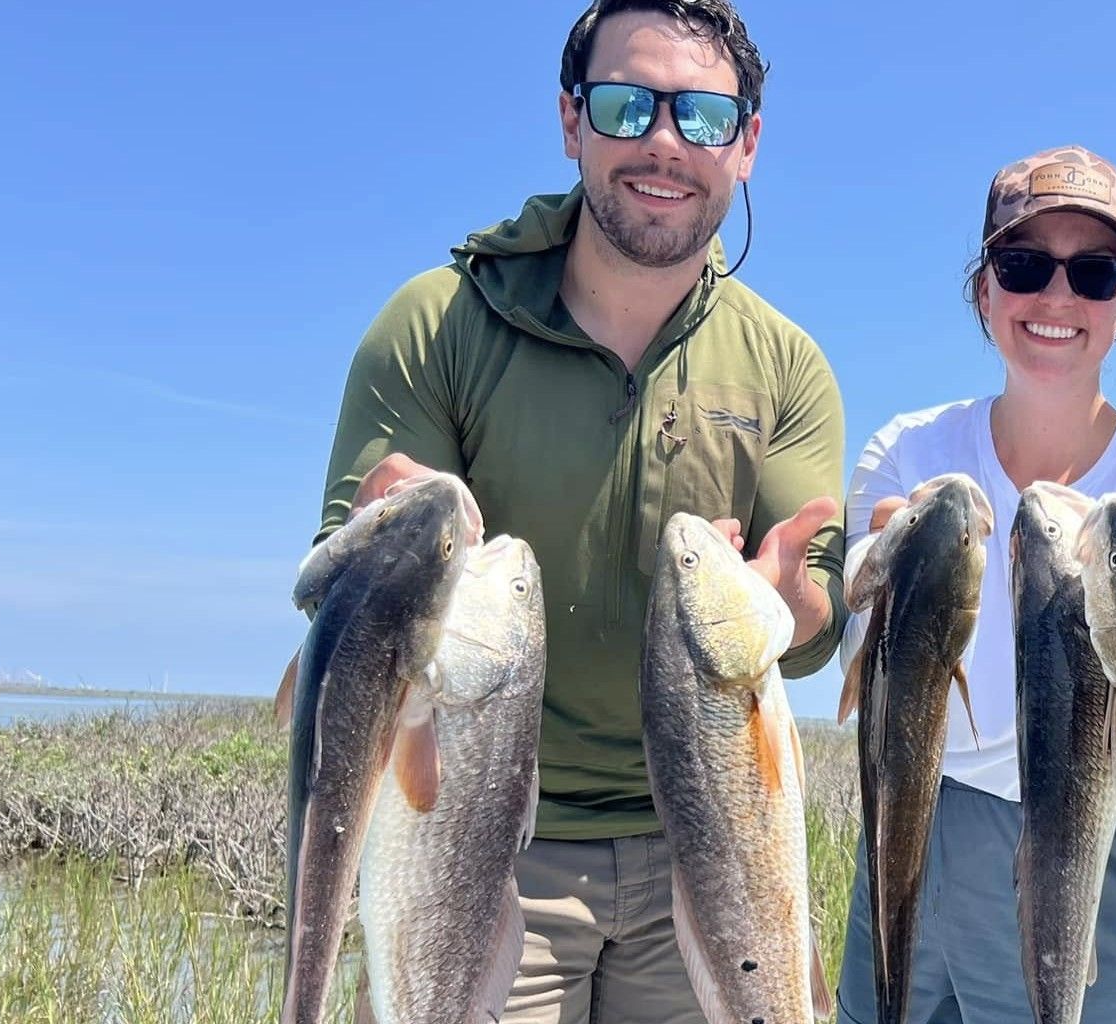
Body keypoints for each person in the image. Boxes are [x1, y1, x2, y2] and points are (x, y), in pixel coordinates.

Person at [302, 2, 848, 1020]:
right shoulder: (436, 323)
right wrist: (395, 550)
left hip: (711, 838)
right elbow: (344, 619)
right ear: (569, 120)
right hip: (476, 834)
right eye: (624, 103)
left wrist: (789, 604)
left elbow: (813, 627)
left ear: (749, 144)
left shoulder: (787, 364)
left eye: (701, 117)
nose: (661, 142)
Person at [832, 145, 1116, 1024]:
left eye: (1094, 273)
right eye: (1023, 266)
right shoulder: (909, 451)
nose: (1057, 298)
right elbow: (862, 636)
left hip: (1079, 838)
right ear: (984, 291)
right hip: (909, 814)